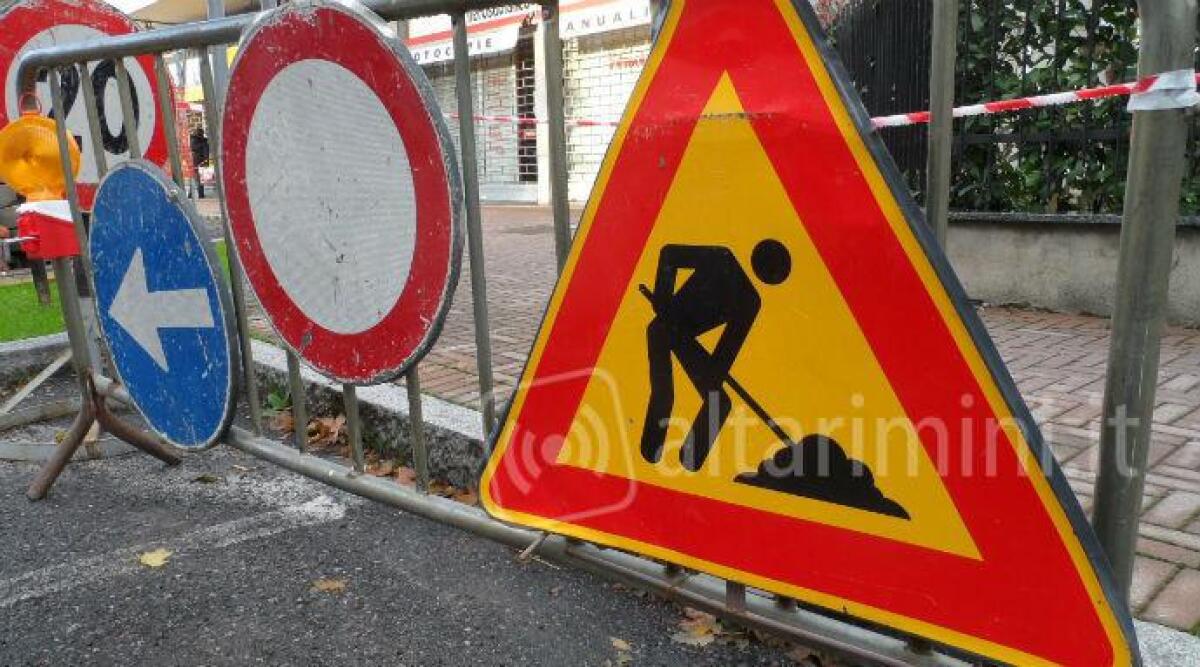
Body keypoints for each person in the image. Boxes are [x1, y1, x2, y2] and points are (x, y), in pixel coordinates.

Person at [639, 239, 791, 471]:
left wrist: (713, 372)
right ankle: (650, 452)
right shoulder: (721, 258)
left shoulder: (750, 300)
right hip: (662, 329)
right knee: (664, 394)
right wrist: (663, 297)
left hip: (684, 338)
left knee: (719, 402)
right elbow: (670, 254)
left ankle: (689, 460)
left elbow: (727, 349)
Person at [189, 127, 210, 199]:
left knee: (193, 178)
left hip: (193, 161)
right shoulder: (203, 142)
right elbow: (206, 154)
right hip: (200, 162)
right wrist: (206, 163)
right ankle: (201, 194)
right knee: (200, 179)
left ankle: (191, 194)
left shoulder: (192, 140)